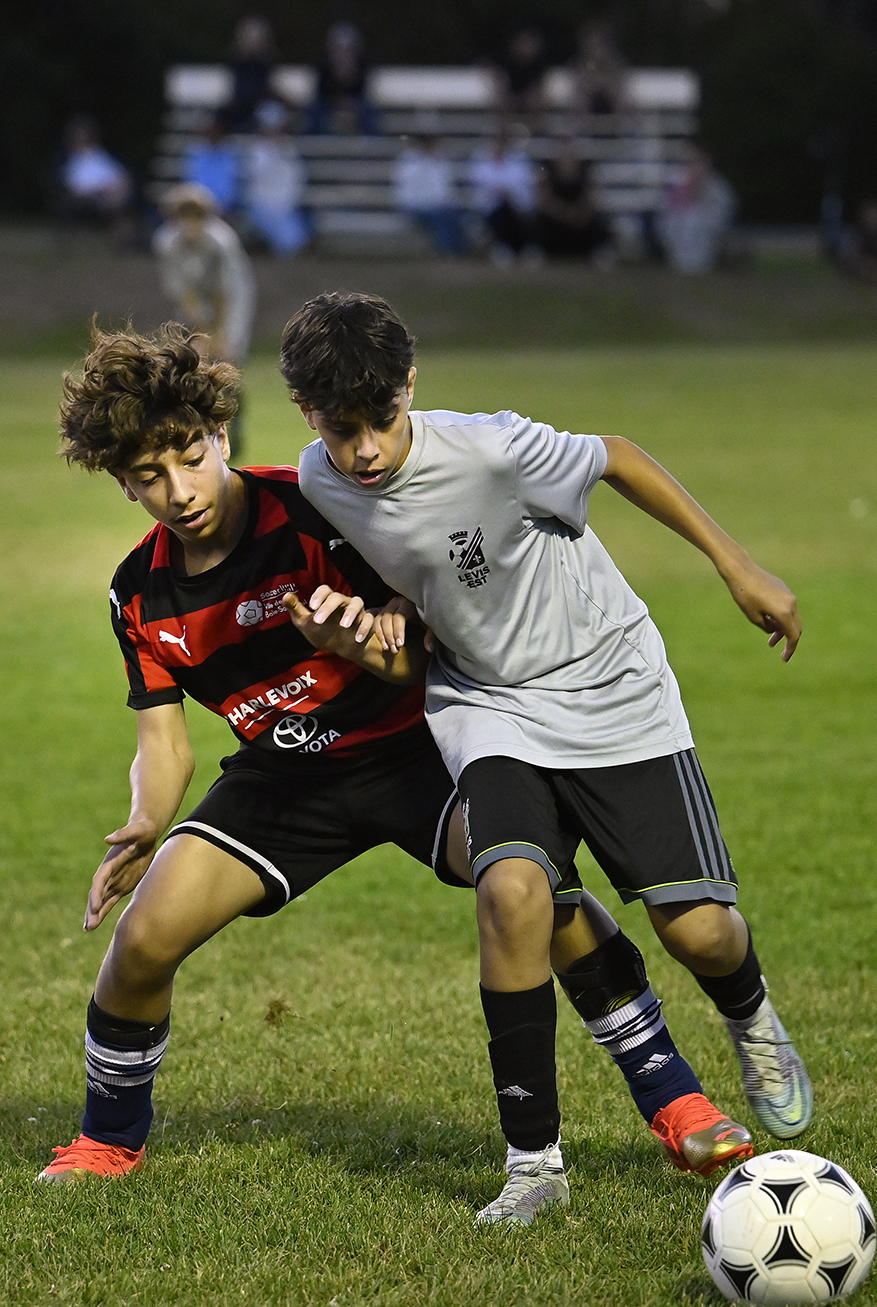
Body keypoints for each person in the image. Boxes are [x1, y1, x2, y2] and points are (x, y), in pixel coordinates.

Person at [37, 324, 753, 1198]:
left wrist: (365, 645)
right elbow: (164, 740)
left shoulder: (314, 506)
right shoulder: (138, 592)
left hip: (416, 752)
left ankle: (674, 1095)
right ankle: (106, 1141)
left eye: (191, 458)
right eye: (150, 476)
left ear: (222, 436)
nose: (179, 490)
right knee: (143, 939)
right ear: (122, 481)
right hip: (284, 780)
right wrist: (148, 820)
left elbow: (417, 640)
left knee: (535, 894)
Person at [284, 292, 814, 1225]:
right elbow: (403, 563)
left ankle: (749, 1014)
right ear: (306, 413)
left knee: (698, 932)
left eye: (381, 420)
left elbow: (619, 456)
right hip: (488, 705)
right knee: (512, 893)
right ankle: (533, 1163)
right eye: (340, 428)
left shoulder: (491, 448)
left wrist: (737, 564)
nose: (363, 450)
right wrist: (387, 612)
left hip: (610, 688)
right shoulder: (319, 481)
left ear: (412, 385)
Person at [153, 184, 255, 460]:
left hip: (232, 299)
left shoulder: (222, 241)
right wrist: (200, 330)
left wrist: (218, 333)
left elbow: (224, 291)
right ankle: (199, 427)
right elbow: (183, 292)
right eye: (182, 217)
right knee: (192, 357)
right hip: (196, 300)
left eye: (195, 217)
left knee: (227, 358)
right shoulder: (166, 242)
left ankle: (235, 423)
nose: (189, 225)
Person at [244, 100, 310, 256]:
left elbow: (297, 176)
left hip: (286, 205)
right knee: (286, 242)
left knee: (296, 241)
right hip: (261, 204)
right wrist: (272, 151)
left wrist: (290, 200)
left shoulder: (288, 148)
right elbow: (254, 175)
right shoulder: (256, 149)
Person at [57, 115, 134, 243]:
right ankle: (125, 238)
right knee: (115, 204)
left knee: (118, 198)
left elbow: (119, 174)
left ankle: (126, 238)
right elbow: (73, 186)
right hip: (86, 197)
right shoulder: (74, 160)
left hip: (107, 193)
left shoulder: (99, 155)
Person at [660, 146, 735, 275]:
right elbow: (666, 207)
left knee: (694, 226)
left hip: (705, 227)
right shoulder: (678, 183)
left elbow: (722, 210)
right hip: (678, 225)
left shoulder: (717, 186)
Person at [535, 142, 613, 263]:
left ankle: (598, 251)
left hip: (580, 219)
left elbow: (592, 198)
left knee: (599, 219)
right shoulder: (549, 174)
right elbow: (544, 200)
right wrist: (563, 213)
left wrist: (578, 213)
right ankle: (540, 251)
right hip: (556, 219)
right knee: (539, 219)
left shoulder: (585, 173)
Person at [469, 131, 537, 264]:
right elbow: (480, 187)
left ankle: (523, 247)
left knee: (518, 214)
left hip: (518, 206)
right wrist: (501, 194)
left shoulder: (520, 160)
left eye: (502, 142)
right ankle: (506, 247)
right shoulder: (480, 160)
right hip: (490, 208)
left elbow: (525, 187)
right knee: (503, 213)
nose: (499, 145)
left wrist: (511, 196)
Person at [392, 137, 467, 256]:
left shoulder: (441, 161)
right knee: (443, 217)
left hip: (439, 205)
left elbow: (446, 188)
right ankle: (447, 249)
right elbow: (408, 192)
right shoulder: (409, 161)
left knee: (461, 215)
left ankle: (459, 247)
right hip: (415, 206)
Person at [306, 22, 376, 135]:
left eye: (348, 51)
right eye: (337, 51)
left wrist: (353, 112)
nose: (342, 57)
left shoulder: (366, 78)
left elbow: (375, 131)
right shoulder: (321, 77)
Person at [182, 115, 242, 219]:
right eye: (209, 132)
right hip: (196, 206)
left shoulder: (229, 154)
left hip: (223, 210)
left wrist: (220, 207)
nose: (213, 135)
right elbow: (190, 181)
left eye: (216, 132)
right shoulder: (194, 153)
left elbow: (230, 188)